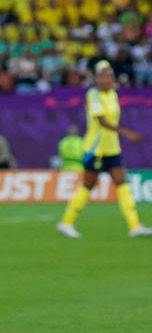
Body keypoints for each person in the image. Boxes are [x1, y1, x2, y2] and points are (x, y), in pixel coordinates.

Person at [57, 61, 151, 238]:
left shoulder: (113, 94)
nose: (106, 79)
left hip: (112, 148)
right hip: (96, 149)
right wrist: (126, 132)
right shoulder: (93, 95)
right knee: (88, 185)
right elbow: (101, 121)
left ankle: (135, 226)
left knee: (122, 183)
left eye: (109, 75)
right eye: (103, 75)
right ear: (96, 79)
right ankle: (66, 222)